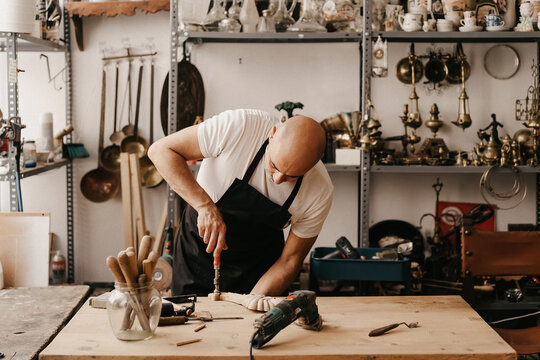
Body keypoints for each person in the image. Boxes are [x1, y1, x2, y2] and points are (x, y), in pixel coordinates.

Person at [148, 108, 334, 305]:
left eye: (292, 176)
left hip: (259, 270)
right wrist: (204, 206)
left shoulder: (320, 192)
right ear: (272, 135)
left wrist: (251, 302)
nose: (278, 179)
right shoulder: (241, 126)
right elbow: (160, 151)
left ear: (317, 160)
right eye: (275, 166)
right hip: (198, 255)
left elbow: (289, 261)